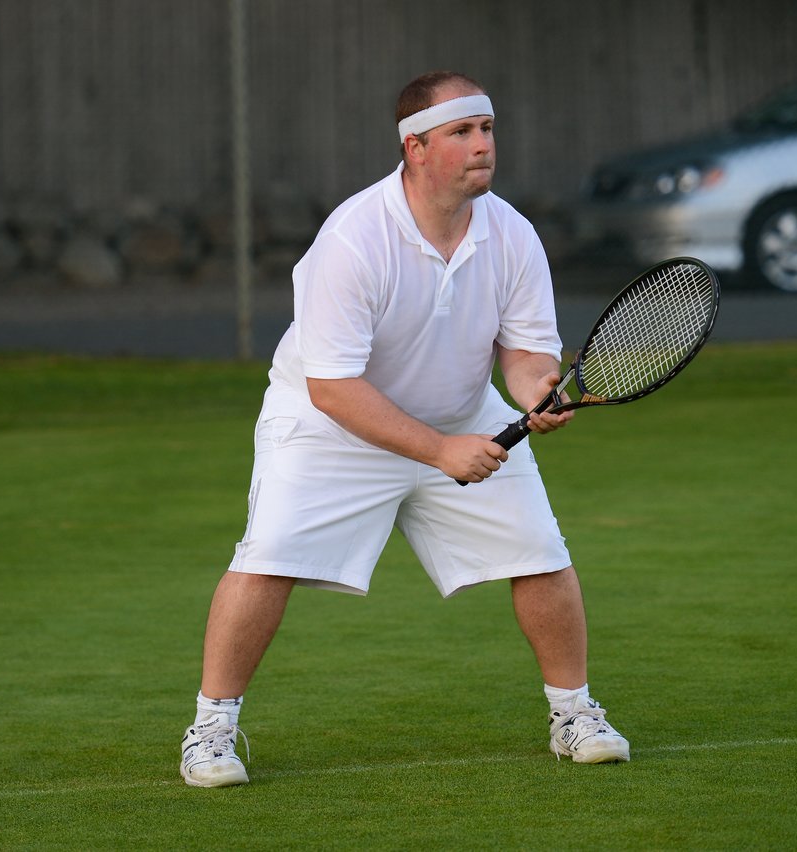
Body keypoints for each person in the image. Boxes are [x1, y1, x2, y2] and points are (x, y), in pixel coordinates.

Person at [180, 71, 630, 787]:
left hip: (460, 411)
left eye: (486, 130)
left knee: (541, 552)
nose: (482, 145)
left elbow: (523, 351)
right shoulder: (353, 239)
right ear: (416, 149)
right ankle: (211, 730)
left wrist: (536, 389)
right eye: (462, 132)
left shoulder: (512, 234)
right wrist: (438, 451)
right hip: (329, 423)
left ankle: (574, 714)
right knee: (268, 557)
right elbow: (332, 386)